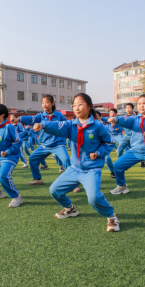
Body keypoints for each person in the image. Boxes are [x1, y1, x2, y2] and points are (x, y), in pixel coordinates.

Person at [33, 93, 120, 232]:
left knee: (93, 198)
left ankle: (111, 216)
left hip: (92, 169)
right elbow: (56, 125)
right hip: (74, 168)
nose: (76, 108)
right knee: (54, 190)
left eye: (80, 104)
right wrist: (42, 125)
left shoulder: (97, 126)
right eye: (74, 105)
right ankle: (70, 208)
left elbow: (109, 143)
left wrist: (98, 153)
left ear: (89, 106)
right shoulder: (71, 125)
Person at [18, 95, 71, 185]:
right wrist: (19, 118)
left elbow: (67, 126)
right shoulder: (40, 116)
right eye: (42, 103)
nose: (44, 104)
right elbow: (31, 119)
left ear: (52, 103)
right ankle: (37, 179)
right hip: (44, 145)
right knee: (32, 159)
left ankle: (73, 183)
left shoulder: (59, 115)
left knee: (66, 159)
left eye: (47, 102)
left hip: (58, 144)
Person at [116, 103, 145, 168]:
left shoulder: (136, 117)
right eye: (126, 108)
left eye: (129, 108)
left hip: (135, 136)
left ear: (133, 109)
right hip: (126, 136)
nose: (128, 109)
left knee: (139, 149)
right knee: (120, 148)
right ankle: (119, 162)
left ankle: (142, 162)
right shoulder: (124, 117)